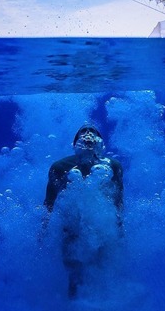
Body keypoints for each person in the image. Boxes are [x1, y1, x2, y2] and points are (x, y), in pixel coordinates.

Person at [43, 124, 123, 299]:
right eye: (83, 132)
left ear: (101, 142)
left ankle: (99, 302)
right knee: (74, 274)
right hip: (71, 227)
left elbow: (118, 200)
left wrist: (119, 227)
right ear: (75, 142)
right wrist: (43, 229)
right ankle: (74, 303)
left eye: (94, 132)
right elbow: (49, 203)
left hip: (101, 227)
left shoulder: (114, 167)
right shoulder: (59, 167)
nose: (88, 134)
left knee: (100, 270)